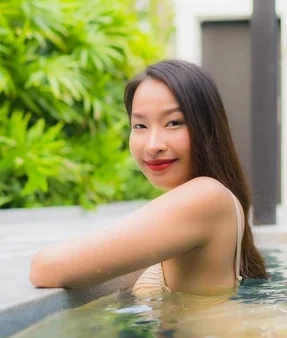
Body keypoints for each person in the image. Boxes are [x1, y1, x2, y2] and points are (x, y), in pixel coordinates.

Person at [29, 59, 268, 296]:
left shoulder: (205, 195)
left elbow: (45, 268)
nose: (153, 145)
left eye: (174, 123)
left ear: (206, 127)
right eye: (140, 125)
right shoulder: (213, 197)